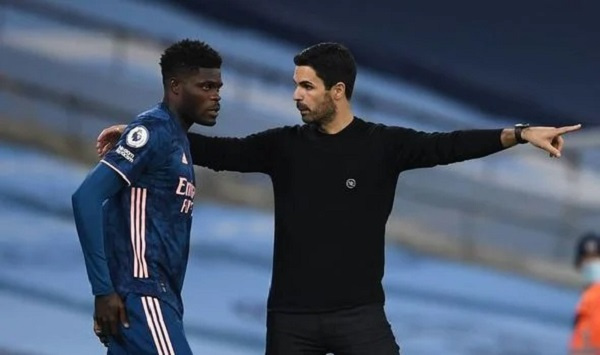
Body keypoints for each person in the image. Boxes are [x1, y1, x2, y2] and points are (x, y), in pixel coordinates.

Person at [97, 42, 581, 355]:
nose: (296, 96)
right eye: (296, 86)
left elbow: (449, 144)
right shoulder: (282, 146)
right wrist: (143, 135)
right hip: (290, 320)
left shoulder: (383, 145)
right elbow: (221, 151)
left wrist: (519, 134)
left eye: (306, 87)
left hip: (360, 317)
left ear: (338, 90)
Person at [72, 39, 223, 354]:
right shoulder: (154, 130)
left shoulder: (174, 139)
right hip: (143, 294)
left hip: (159, 299)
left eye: (218, 87)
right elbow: (86, 197)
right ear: (175, 86)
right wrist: (103, 290)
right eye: (206, 86)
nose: (215, 96)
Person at [570, 232, 600, 354]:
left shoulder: (594, 297)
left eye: (596, 258)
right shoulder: (587, 298)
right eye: (587, 259)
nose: (591, 264)